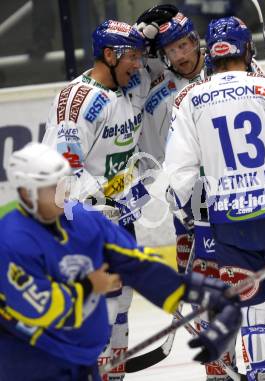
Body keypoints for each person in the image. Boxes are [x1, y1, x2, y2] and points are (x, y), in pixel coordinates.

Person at [163, 16, 265, 381]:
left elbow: (179, 172)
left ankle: (261, 372)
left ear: (211, 54)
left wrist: (190, 213)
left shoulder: (188, 98)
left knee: (252, 302)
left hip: (229, 223)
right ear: (247, 49)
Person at [0, 142, 242, 381]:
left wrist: (207, 294)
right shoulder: (10, 240)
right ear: (26, 192)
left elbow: (137, 264)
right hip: (28, 369)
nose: (61, 192)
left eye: (61, 183)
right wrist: (89, 286)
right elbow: (42, 309)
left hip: (80, 365)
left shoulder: (83, 221)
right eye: (51, 187)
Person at [42, 19, 155, 380]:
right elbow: (60, 173)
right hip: (85, 223)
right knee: (96, 310)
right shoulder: (80, 101)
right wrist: (96, 203)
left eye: (139, 56)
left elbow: (160, 66)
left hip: (119, 216)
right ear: (109, 55)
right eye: (131, 57)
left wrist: (150, 31)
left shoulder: (130, 85)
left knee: (121, 303)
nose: (138, 64)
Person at [136, 6, 240, 379]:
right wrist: (176, 201)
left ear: (196, 42)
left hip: (238, 198)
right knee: (206, 290)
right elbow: (154, 160)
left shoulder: (230, 70)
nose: (180, 55)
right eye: (171, 49)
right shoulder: (158, 99)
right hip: (190, 207)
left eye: (184, 44)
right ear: (163, 54)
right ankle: (219, 369)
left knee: (250, 285)